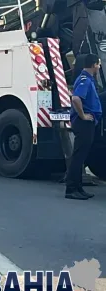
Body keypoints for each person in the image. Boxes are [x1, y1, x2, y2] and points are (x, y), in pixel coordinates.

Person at [65, 53, 102, 200]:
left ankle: (78, 188)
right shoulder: (85, 80)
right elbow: (75, 98)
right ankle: (71, 189)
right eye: (98, 64)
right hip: (83, 123)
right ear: (93, 65)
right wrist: (82, 116)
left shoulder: (88, 80)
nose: (99, 67)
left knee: (81, 156)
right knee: (78, 156)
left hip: (87, 122)